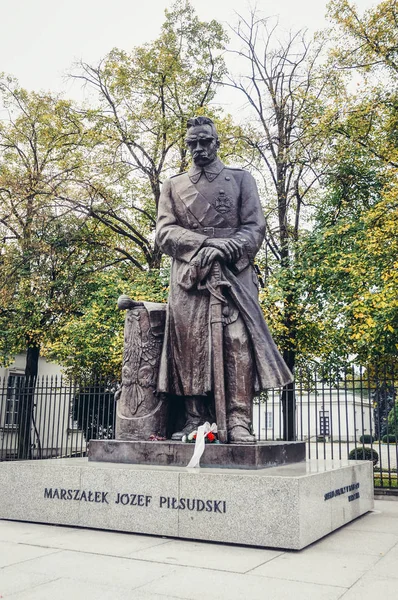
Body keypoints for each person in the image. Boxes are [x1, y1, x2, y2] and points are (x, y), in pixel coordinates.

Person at [155, 116, 292, 443]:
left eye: (205, 142)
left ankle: (239, 419)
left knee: (237, 342)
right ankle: (195, 419)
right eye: (193, 143)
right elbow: (164, 232)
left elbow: (255, 226)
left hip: (234, 275)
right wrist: (205, 245)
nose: (199, 148)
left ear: (216, 143)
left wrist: (228, 248)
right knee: (190, 348)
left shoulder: (241, 180)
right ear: (187, 146)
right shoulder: (173, 186)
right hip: (189, 277)